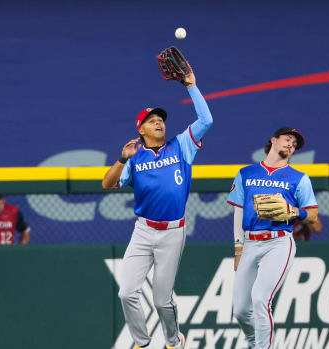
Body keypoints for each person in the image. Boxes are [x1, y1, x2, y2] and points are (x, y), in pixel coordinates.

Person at [101, 68, 212, 349]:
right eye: (152, 121)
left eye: (161, 119)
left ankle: (174, 341)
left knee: (163, 300)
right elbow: (107, 184)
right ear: (141, 129)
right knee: (127, 293)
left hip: (173, 231)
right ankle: (142, 343)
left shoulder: (182, 145)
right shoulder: (135, 158)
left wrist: (191, 87)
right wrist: (121, 159)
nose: (159, 123)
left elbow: (206, 119)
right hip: (143, 230)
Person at [227, 127, 319, 349]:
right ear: (274, 140)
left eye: (295, 144)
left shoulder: (299, 179)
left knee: (260, 299)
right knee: (240, 310)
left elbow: (313, 216)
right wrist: (238, 248)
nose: (291, 145)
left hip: (278, 242)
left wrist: (295, 211)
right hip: (250, 242)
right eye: (288, 139)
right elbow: (239, 211)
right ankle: (254, 343)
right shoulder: (246, 173)